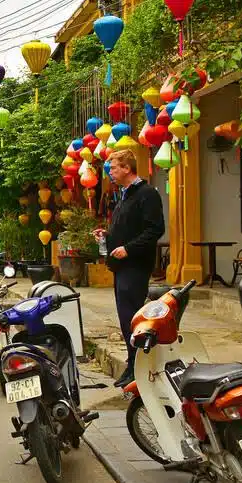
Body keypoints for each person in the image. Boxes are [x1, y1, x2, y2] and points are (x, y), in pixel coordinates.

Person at [96, 148, 166, 388]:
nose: (110, 173)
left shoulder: (146, 194)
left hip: (135, 265)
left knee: (133, 318)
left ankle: (139, 367)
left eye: (113, 168)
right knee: (126, 318)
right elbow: (127, 227)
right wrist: (107, 235)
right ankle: (132, 364)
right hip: (121, 266)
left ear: (127, 168)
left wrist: (129, 248)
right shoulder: (125, 195)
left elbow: (154, 230)